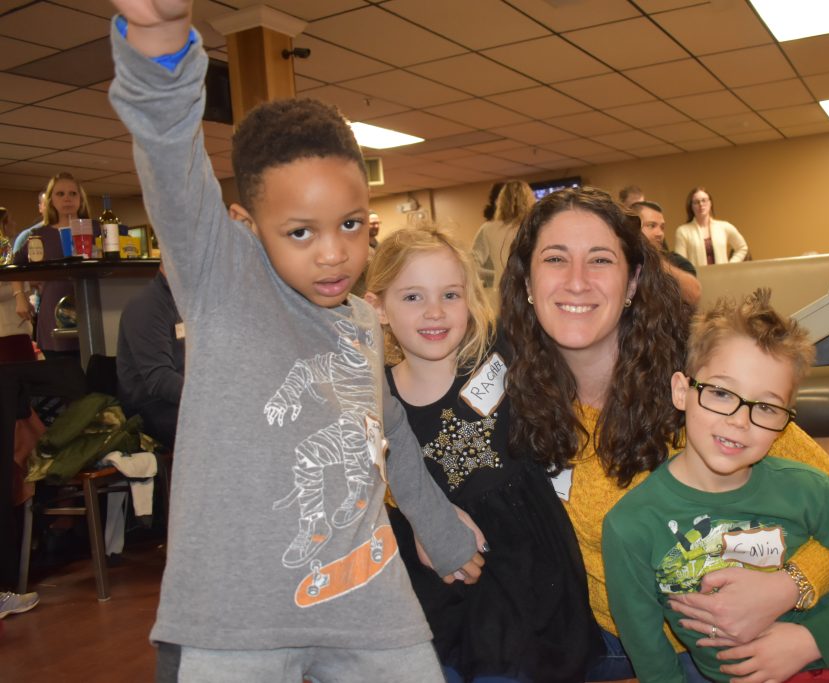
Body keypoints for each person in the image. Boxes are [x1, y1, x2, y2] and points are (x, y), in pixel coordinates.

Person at [107, 4, 484, 681]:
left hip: (369, 600)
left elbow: (388, 431)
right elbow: (166, 146)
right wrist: (159, 39)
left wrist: (442, 531)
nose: (335, 254)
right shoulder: (222, 281)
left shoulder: (363, 321)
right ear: (247, 224)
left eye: (350, 223)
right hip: (234, 619)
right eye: (301, 232)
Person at [499, 187, 829, 681]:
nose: (577, 281)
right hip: (599, 644)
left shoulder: (702, 390)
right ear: (527, 280)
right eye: (555, 259)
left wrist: (787, 589)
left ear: (632, 282)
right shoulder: (511, 395)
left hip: (724, 645)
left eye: (601, 260)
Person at [603, 290, 829, 683]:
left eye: (765, 407)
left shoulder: (811, 490)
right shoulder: (630, 526)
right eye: (722, 393)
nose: (739, 421)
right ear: (682, 391)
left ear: (786, 420)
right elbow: (650, 655)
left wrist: (810, 640)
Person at [364, 226, 599, 683]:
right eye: (412, 297)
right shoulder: (377, 399)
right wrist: (422, 519)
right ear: (378, 309)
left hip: (529, 559)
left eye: (450, 294)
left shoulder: (503, 354)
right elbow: (376, 485)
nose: (435, 311)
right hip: (442, 573)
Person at [13, 172, 93, 361]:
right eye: (60, 194)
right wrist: (20, 297)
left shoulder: (96, 229)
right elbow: (15, 266)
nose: (67, 198)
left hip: (94, 312)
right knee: (65, 381)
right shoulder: (39, 235)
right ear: (51, 200)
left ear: (81, 200)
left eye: (73, 194)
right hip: (54, 316)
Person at [116, 265, 184, 449]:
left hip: (182, 402)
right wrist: (209, 398)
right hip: (153, 409)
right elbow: (160, 379)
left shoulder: (189, 302)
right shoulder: (147, 305)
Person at [471, 180, 534, 308]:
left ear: (501, 201)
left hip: (500, 299)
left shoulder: (488, 229)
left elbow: (471, 264)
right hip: (528, 295)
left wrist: (494, 276)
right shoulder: (533, 228)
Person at [631, 200, 701, 305]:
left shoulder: (678, 262)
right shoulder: (621, 263)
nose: (660, 233)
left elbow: (694, 294)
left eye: (662, 227)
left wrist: (652, 258)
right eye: (651, 225)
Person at [674, 187, 748, 266]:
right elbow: (680, 263)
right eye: (696, 202)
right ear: (691, 206)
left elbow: (742, 247)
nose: (701, 204)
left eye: (704, 200)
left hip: (722, 276)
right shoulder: (683, 231)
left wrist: (730, 266)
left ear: (710, 203)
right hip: (696, 277)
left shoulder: (724, 227)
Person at [0, 208, 35, 362]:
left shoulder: (7, 251)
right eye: (10, 220)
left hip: (18, 328)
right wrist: (22, 287)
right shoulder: (3, 254)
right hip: (7, 330)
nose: (14, 223)